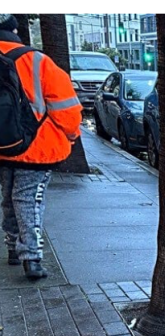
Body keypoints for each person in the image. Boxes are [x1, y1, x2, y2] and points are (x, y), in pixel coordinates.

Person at [0, 14, 81, 279]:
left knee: (9, 197)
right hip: (37, 147)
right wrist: (70, 135)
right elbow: (67, 110)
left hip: (2, 145)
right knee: (28, 200)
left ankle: (13, 248)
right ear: (14, 30)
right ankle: (32, 259)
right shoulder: (37, 61)